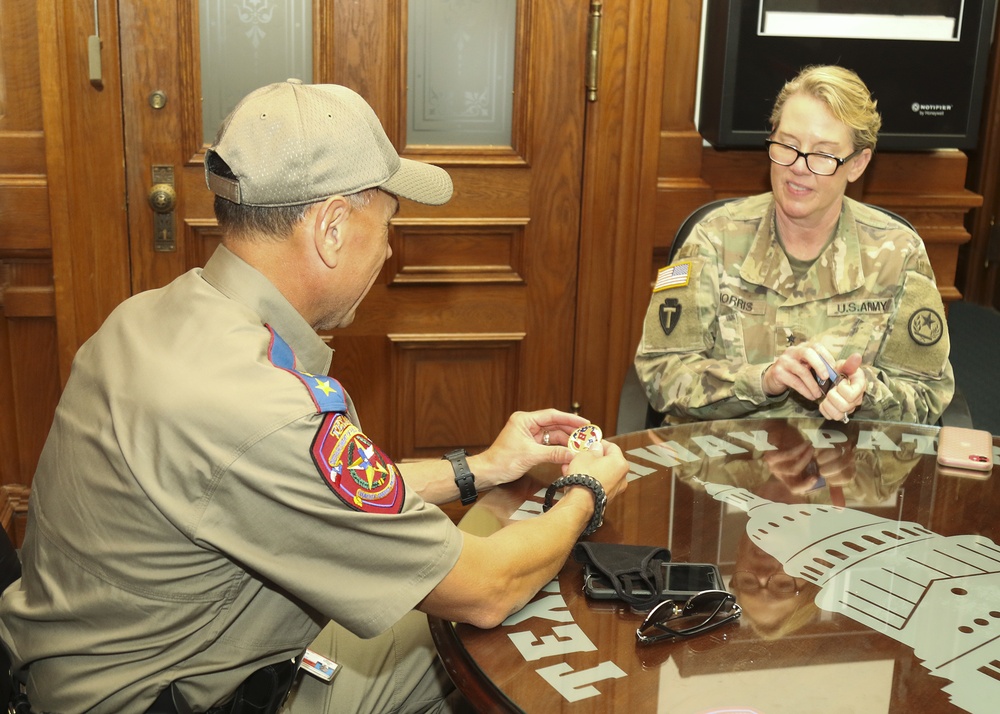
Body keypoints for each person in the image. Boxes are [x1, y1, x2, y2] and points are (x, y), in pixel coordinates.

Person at [0, 80, 629, 713]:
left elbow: (311, 487)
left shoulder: (148, 318)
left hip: (90, 675)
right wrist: (585, 490)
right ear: (331, 228)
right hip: (179, 700)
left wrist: (485, 470)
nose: (388, 248)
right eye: (386, 223)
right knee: (495, 646)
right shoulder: (262, 408)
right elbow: (488, 588)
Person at [635, 65, 955, 426]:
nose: (799, 167)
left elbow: (928, 392)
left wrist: (866, 395)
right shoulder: (712, 239)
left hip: (847, 472)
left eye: (823, 154)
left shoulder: (900, 254)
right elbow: (659, 370)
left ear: (858, 164)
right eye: (788, 145)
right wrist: (761, 380)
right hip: (723, 465)